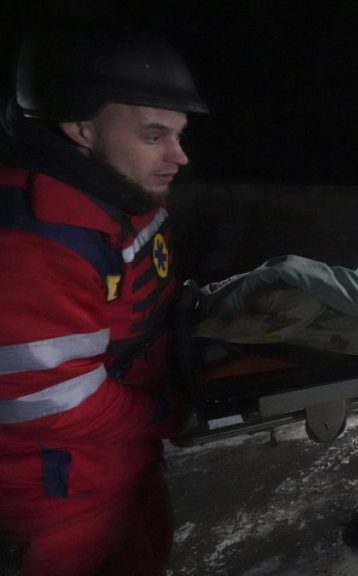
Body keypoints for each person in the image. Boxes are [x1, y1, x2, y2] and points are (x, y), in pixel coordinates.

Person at [0, 26, 208, 574]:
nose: (178, 156)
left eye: (179, 135)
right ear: (79, 126)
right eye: (154, 135)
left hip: (119, 458)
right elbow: (54, 399)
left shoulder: (116, 189)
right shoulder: (35, 240)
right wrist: (166, 413)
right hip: (60, 490)